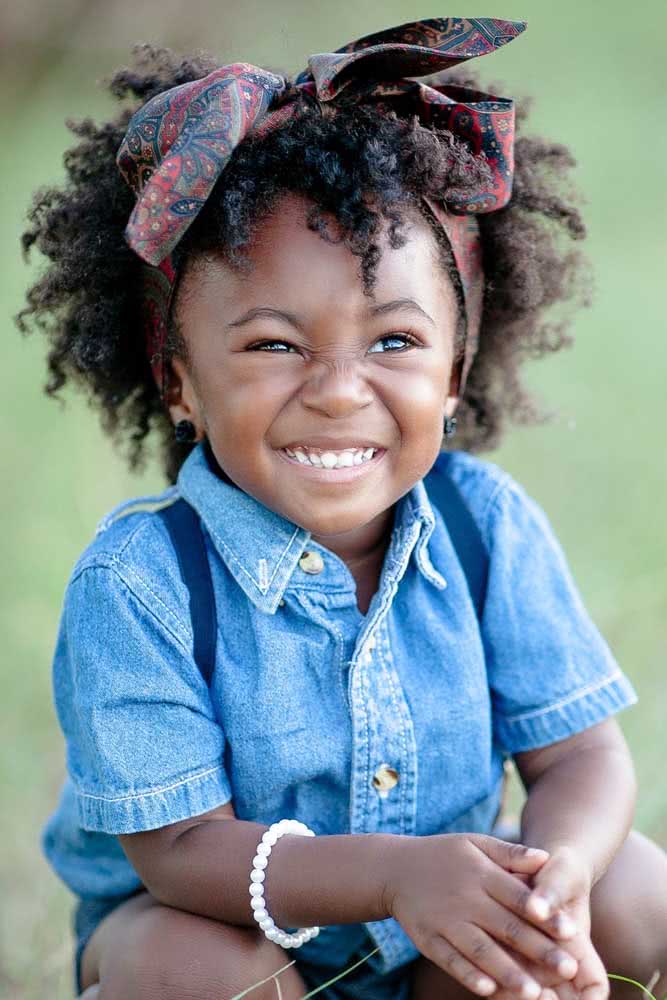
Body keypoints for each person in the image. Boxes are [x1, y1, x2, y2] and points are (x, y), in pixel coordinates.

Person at [18, 17, 667, 1000]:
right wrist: (395, 876)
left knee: (636, 888)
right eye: (276, 345)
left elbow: (581, 756)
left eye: (394, 342)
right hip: (232, 943)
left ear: (455, 369)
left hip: (440, 937)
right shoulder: (142, 582)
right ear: (178, 378)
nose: (336, 389)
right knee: (182, 961)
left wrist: (559, 873)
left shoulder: (483, 527)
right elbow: (179, 849)